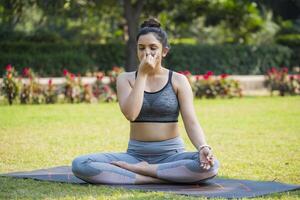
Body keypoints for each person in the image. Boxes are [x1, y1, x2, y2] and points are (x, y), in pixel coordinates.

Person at [72, 18, 219, 184]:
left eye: (153, 48)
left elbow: (191, 122)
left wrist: (203, 147)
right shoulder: (125, 79)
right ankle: (157, 178)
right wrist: (142, 74)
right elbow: (131, 114)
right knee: (81, 164)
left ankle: (144, 172)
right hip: (135, 156)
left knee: (211, 165)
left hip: (171, 155)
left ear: (164, 51)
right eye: (141, 48)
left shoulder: (178, 80)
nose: (146, 53)